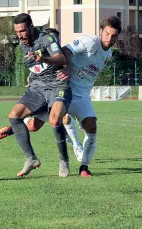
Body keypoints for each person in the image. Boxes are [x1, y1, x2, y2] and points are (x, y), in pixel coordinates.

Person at [0, 28, 83, 162]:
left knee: (65, 119)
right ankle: (15, 129)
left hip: (63, 92)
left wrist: (68, 67)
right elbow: (39, 70)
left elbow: (68, 63)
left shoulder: (62, 53)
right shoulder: (39, 51)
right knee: (33, 126)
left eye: (54, 39)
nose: (51, 42)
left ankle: (77, 147)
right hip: (45, 93)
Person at [56, 15, 122, 177]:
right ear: (101, 31)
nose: (109, 38)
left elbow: (90, 73)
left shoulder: (107, 56)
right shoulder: (89, 42)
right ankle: (18, 124)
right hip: (66, 90)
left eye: (113, 36)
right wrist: (69, 68)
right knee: (34, 125)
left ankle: (84, 167)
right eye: (107, 33)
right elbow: (66, 50)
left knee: (92, 126)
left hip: (82, 97)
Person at [8, 13, 72, 178]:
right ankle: (31, 159)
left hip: (57, 85)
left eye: (22, 30)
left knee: (55, 119)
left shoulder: (46, 39)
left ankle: (63, 160)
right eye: (17, 31)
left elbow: (61, 58)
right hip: (37, 89)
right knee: (14, 116)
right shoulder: (23, 45)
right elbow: (34, 68)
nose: (20, 35)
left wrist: (43, 58)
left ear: (31, 27)